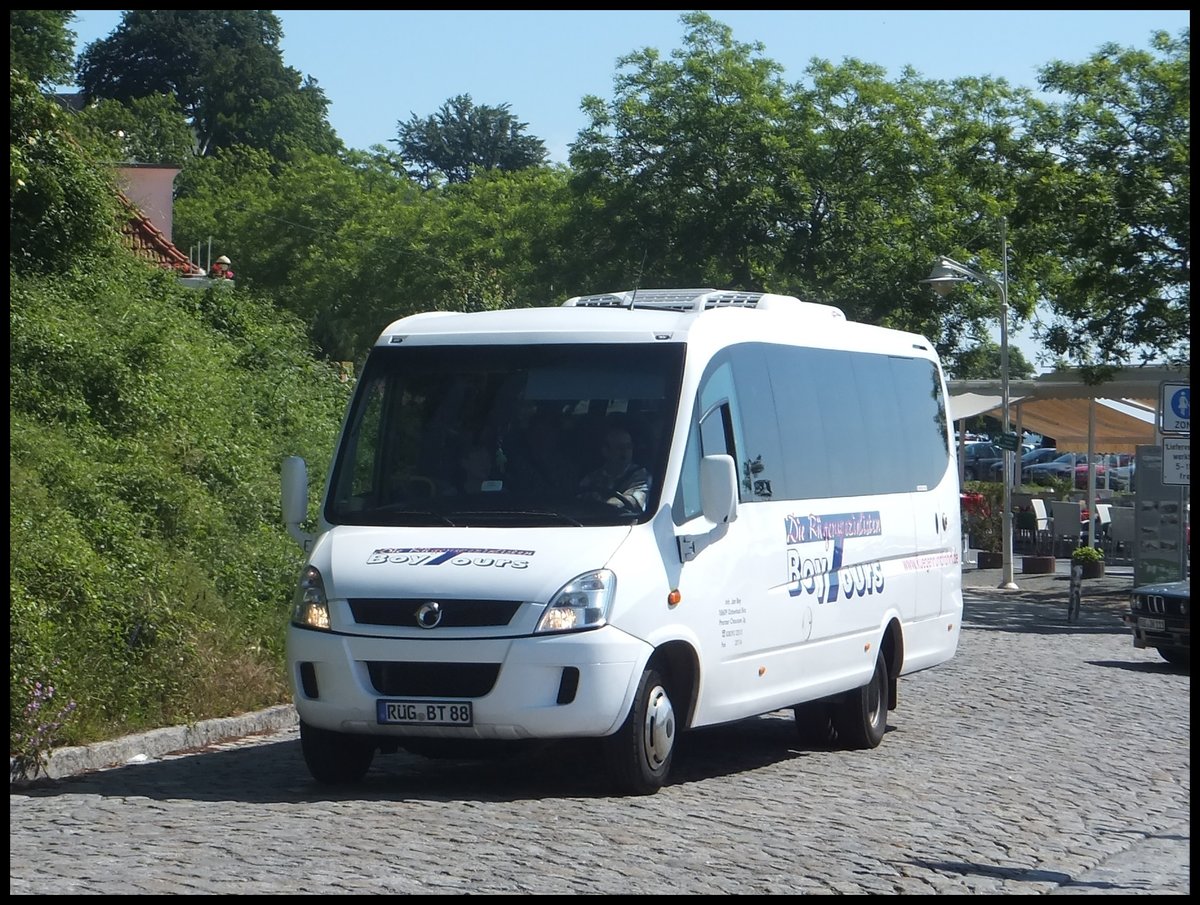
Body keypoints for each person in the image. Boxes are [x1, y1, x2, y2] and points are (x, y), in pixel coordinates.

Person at [578, 426, 651, 511]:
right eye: (620, 448)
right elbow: (578, 500)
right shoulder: (592, 477)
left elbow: (634, 501)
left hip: (624, 522)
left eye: (628, 446)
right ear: (606, 451)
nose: (625, 452)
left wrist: (604, 505)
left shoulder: (641, 476)